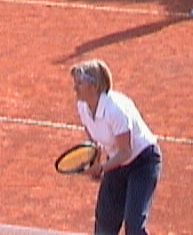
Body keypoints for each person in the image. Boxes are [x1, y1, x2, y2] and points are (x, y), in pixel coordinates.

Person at [69, 59, 162, 235]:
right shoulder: (82, 106)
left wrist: (102, 168)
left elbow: (126, 151)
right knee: (104, 225)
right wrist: (94, 163)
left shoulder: (114, 110)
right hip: (117, 163)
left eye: (79, 83)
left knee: (134, 226)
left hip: (142, 163)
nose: (75, 88)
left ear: (94, 86)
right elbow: (94, 141)